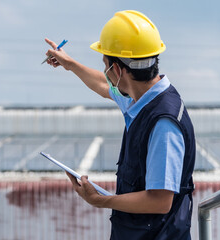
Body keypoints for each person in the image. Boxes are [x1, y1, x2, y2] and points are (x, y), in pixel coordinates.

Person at [44, 10, 195, 240]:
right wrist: (70, 64)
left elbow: (160, 200)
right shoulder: (141, 99)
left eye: (106, 65)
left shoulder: (163, 123)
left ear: (116, 70)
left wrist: (100, 200)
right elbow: (104, 86)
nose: (105, 73)